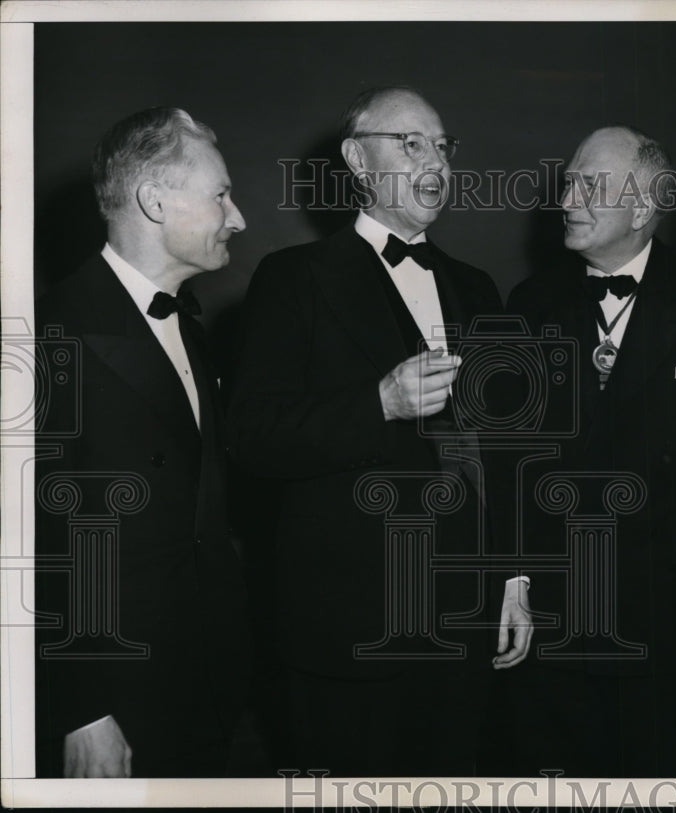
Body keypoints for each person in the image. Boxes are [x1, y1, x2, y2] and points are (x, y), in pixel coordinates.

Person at [226, 86, 529, 776]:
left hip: (465, 622)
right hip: (349, 629)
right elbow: (252, 436)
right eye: (412, 143)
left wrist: (513, 576)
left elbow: (503, 452)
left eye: (444, 147)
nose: (438, 163)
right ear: (358, 160)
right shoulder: (292, 278)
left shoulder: (478, 287)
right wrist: (379, 402)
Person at [34, 107, 252, 778]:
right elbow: (33, 545)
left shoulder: (191, 327)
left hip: (206, 687)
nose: (237, 217)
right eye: (221, 194)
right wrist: (80, 710)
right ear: (156, 201)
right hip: (118, 699)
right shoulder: (51, 334)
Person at [499, 126, 676, 776]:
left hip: (669, 627)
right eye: (569, 182)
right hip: (554, 624)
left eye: (590, 185)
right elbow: (510, 463)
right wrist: (513, 580)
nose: (568, 198)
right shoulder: (529, 303)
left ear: (644, 208)